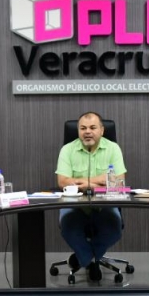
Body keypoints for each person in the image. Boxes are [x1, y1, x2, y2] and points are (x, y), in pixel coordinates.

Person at [55, 112, 127, 282]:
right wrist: (100, 181)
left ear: (102, 130)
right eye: (83, 128)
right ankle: (89, 259)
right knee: (68, 227)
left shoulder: (113, 148)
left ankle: (82, 258)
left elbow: (119, 181)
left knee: (114, 229)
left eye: (93, 127)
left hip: (105, 205)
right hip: (75, 205)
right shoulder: (67, 150)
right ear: (78, 131)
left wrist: (86, 183)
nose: (87, 131)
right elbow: (62, 181)